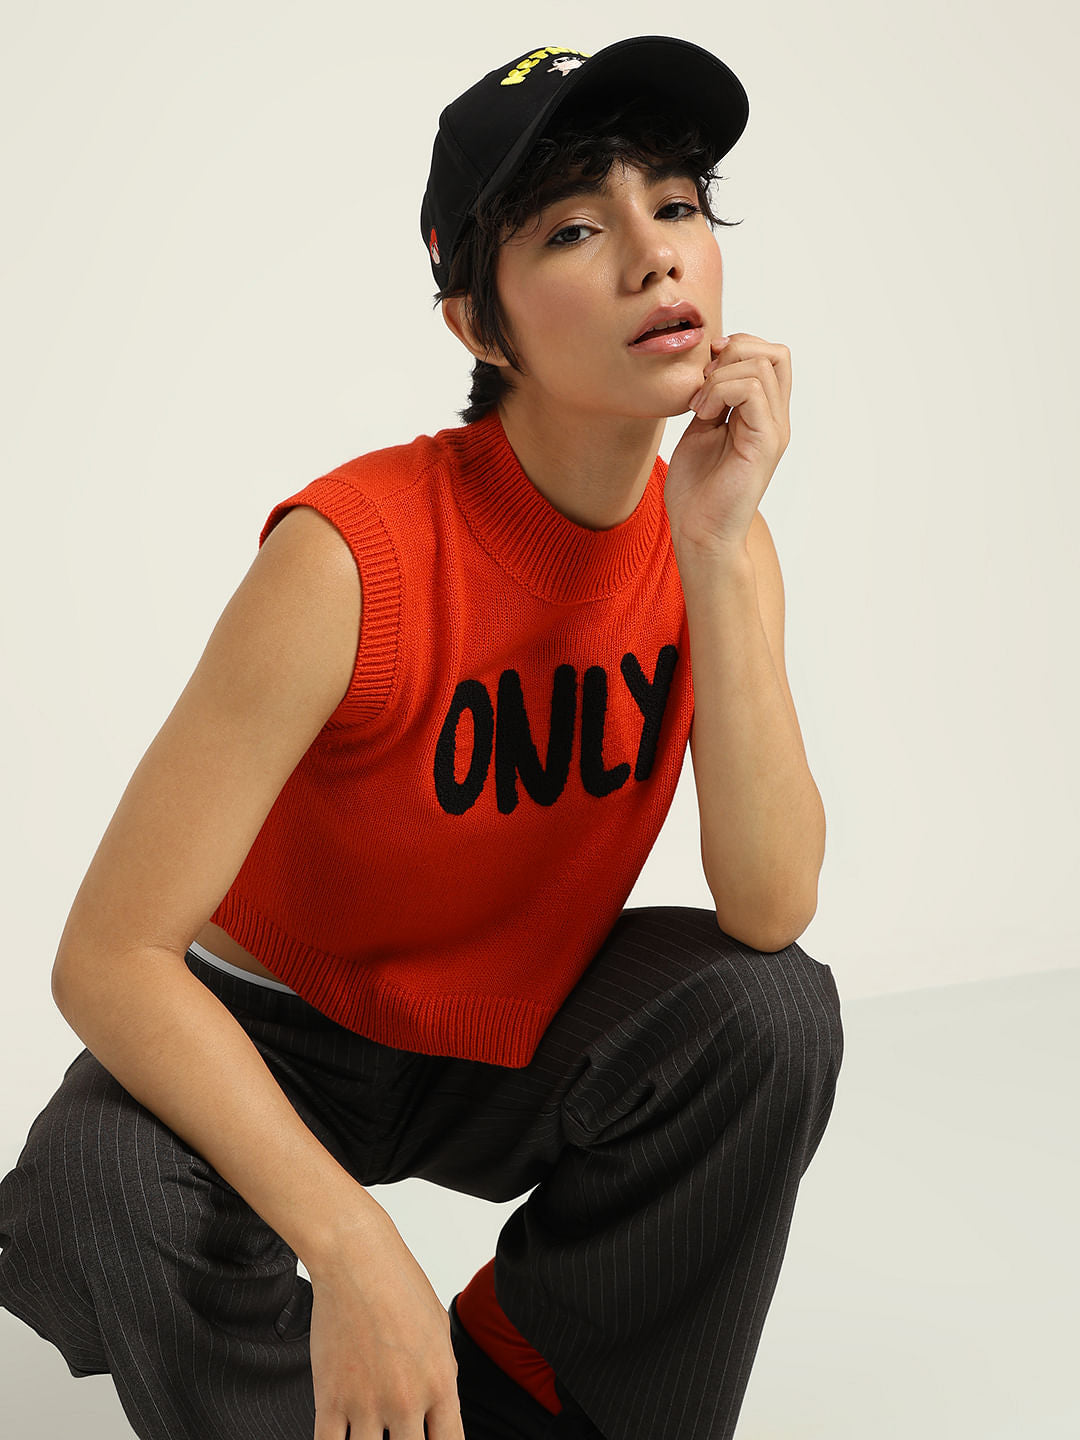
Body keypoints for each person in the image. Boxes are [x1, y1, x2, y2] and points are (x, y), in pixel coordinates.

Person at [0, 35, 843, 1440]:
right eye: (575, 229)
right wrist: (353, 1246)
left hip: (505, 1029)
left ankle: (532, 1384)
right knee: (97, 1181)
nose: (654, 254)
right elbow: (108, 956)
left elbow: (770, 908)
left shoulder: (717, 541)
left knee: (767, 1016)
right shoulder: (353, 555)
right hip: (277, 1036)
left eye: (678, 204)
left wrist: (712, 546)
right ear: (480, 328)